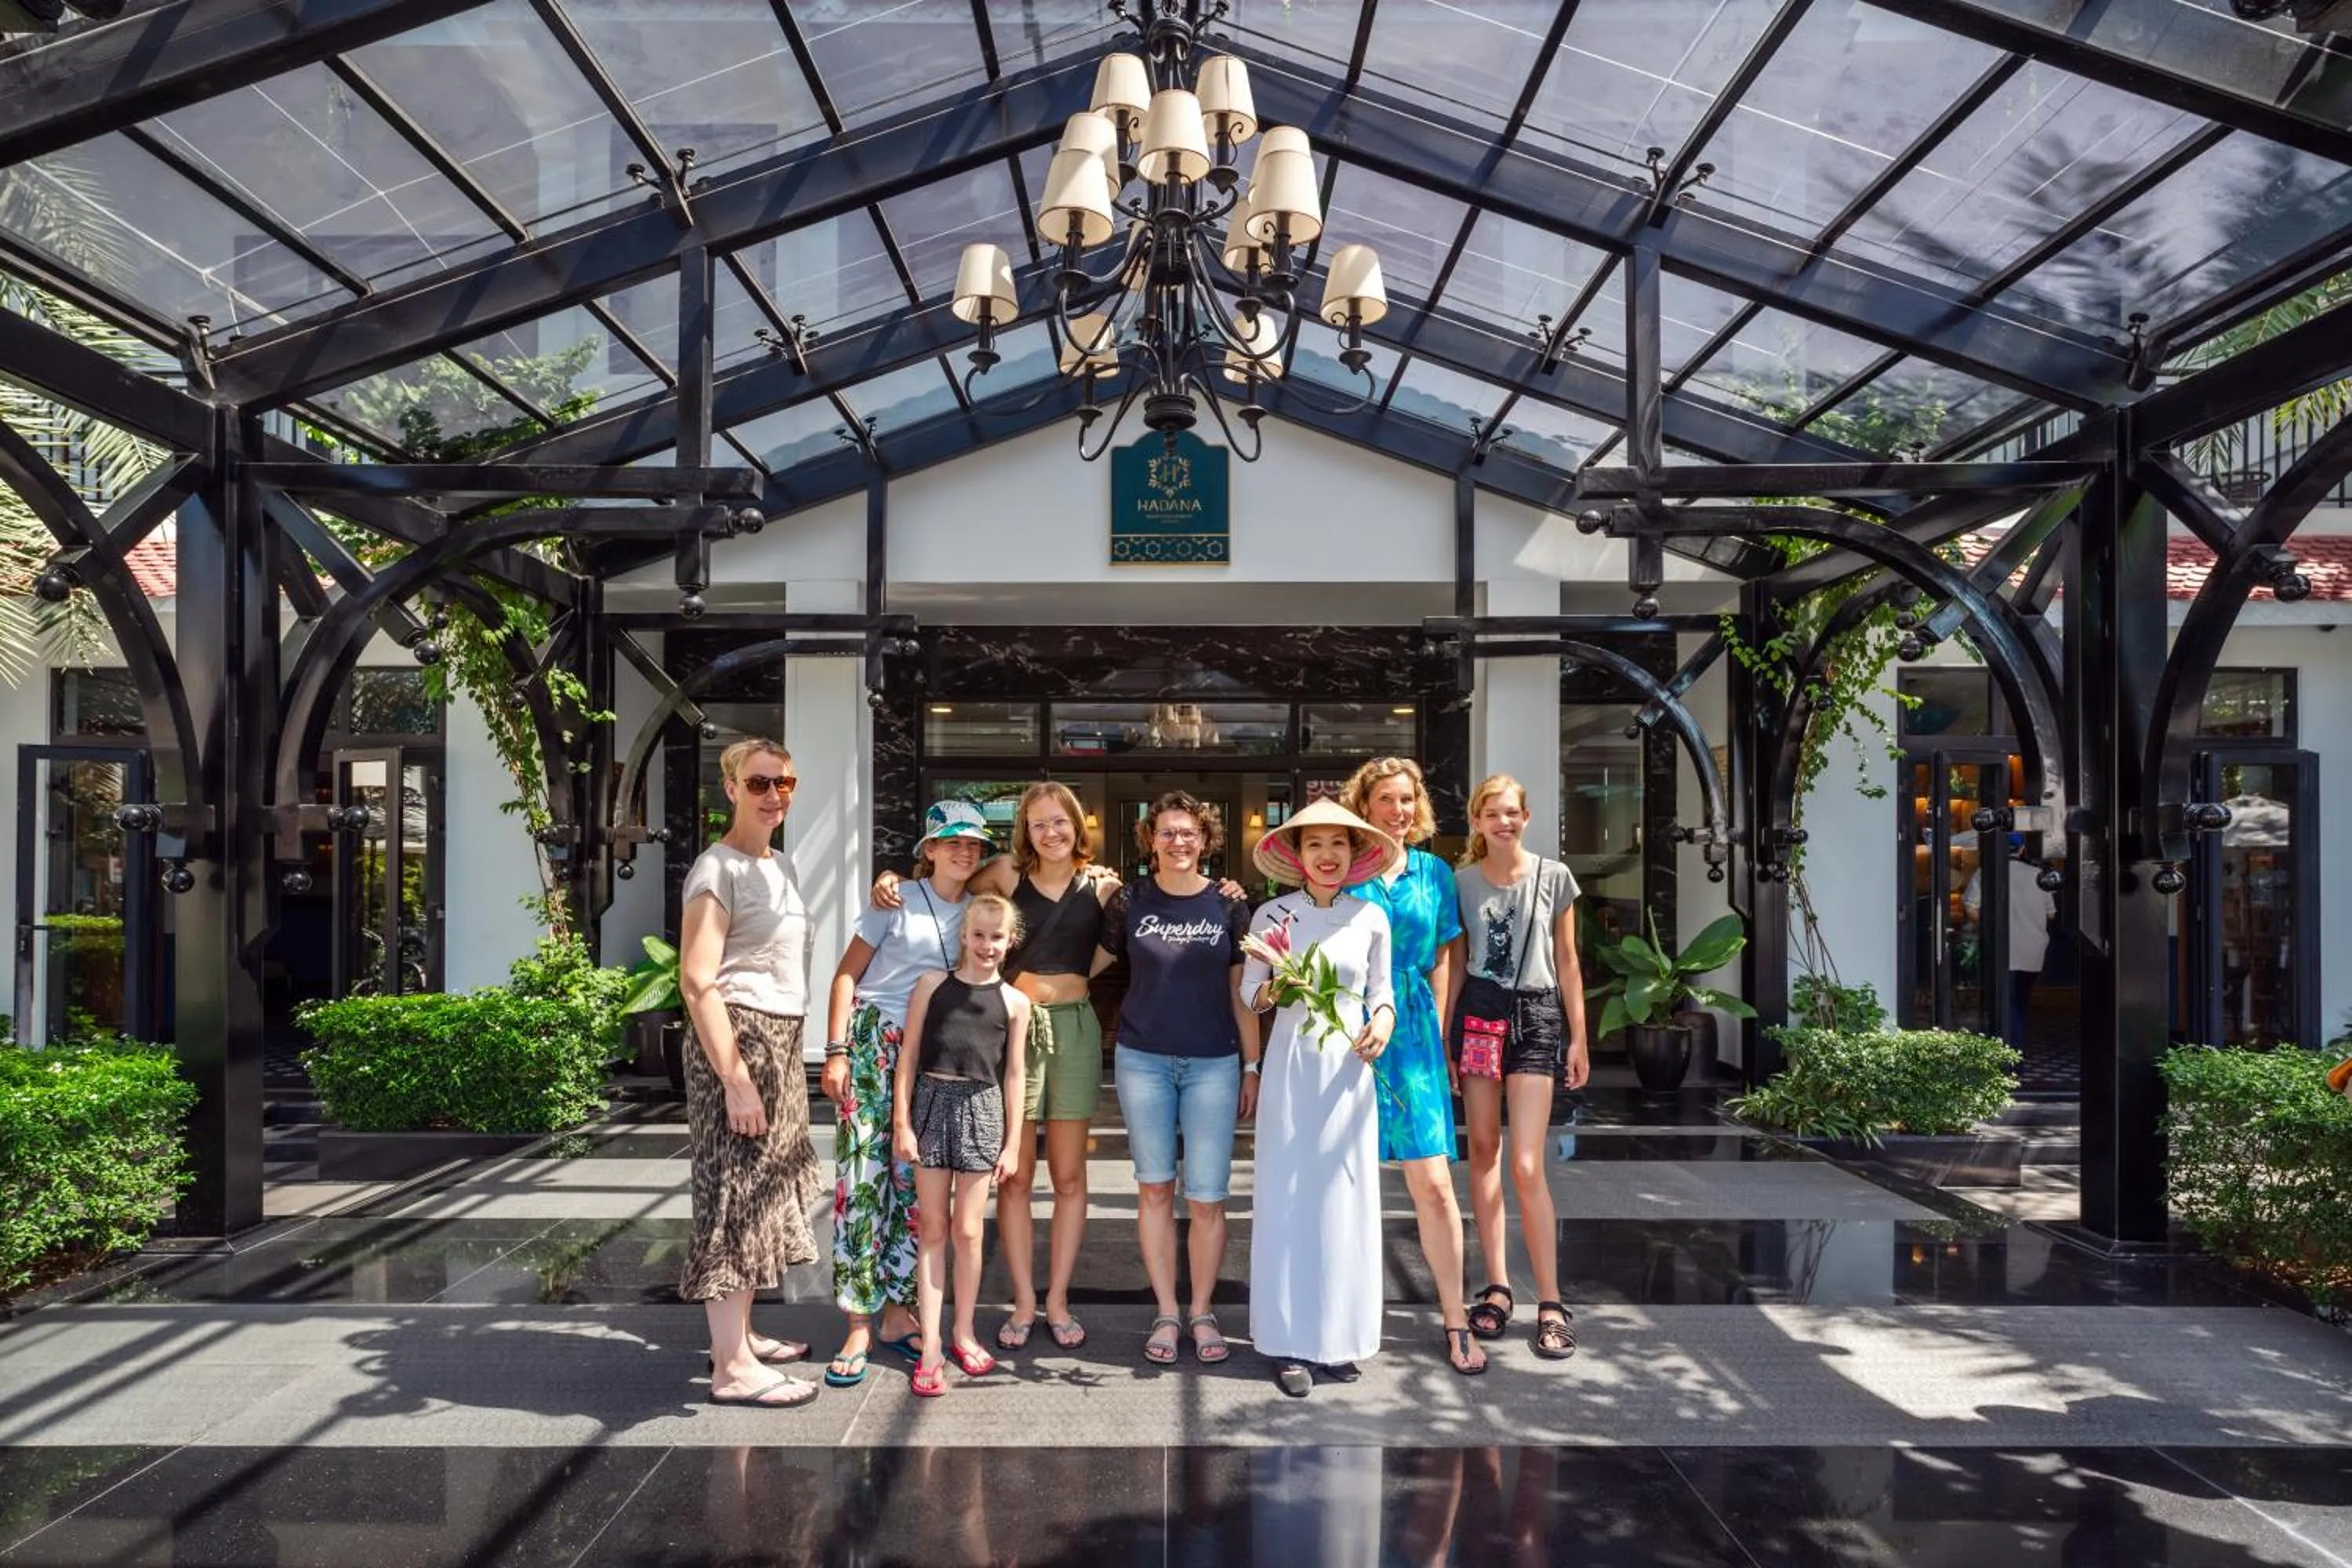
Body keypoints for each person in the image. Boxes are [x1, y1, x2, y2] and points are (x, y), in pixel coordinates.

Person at [818, 799, 992, 1387]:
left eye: (973, 844)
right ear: (929, 848)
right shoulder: (893, 901)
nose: (964, 852)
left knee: (914, 1187)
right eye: (952, 842)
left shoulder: (976, 911)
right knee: (862, 1182)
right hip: (874, 1045)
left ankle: (898, 1313)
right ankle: (858, 1323)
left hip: (934, 1057)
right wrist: (836, 1049)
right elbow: (847, 974)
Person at [674, 738, 826, 1408]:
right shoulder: (719, 869)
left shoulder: (781, 865)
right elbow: (697, 980)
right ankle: (732, 1370)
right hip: (742, 1041)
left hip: (780, 1039)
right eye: (760, 782)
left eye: (785, 782)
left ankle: (739, 1336)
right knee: (735, 1194)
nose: (775, 795)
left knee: (763, 1188)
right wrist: (736, 1077)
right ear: (730, 787)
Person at [1090, 789, 1258, 1367]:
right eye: (1167, 832)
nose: (1179, 841)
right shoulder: (1129, 900)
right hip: (1144, 1061)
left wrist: (1252, 1064)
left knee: (1209, 1196)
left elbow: (1244, 993)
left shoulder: (1232, 905)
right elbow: (1091, 961)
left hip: (1214, 1061)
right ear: (1151, 840)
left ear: (1206, 841)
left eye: (1189, 833)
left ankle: (1203, 1311)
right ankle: (1166, 1311)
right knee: (1155, 1186)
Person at [1243, 799, 1399, 1398]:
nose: (1327, 856)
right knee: (1289, 1196)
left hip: (1348, 1074)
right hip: (1292, 1068)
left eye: (1339, 844)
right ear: (1297, 855)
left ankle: (1339, 1339)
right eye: (1315, 846)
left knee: (1344, 1196)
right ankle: (1285, 1342)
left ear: (1354, 854)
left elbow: (1383, 994)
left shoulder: (1371, 918)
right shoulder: (1271, 915)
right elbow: (1251, 996)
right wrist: (1277, 985)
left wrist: (1381, 1022)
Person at [1339, 757, 1483, 1376]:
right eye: (1384, 800)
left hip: (1417, 1030)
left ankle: (1455, 1320)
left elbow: (1447, 958)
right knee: (1347, 1184)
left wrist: (1444, 1036)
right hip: (1353, 1029)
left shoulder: (1435, 872)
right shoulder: (1344, 869)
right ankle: (1342, 1320)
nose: (1396, 811)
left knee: (1434, 1182)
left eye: (1406, 800)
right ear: (1364, 806)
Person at [1451, 773, 1588, 1362]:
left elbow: (1568, 960)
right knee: (1483, 1150)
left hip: (1536, 1014)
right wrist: (1443, 1038)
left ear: (1526, 817)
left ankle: (1552, 1302)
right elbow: (1454, 966)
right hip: (1479, 1013)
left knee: (1528, 1164)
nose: (1503, 822)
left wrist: (1579, 1038)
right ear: (1477, 822)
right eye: (1492, 814)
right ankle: (1499, 1286)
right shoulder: (1459, 883)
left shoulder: (1554, 877)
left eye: (1512, 813)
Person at [894, 891, 1032, 1398]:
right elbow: (907, 1057)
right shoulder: (932, 986)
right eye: (978, 935)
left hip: (983, 1108)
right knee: (932, 1227)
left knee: (968, 1232)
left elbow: (1014, 1074)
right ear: (963, 936)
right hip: (930, 1103)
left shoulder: (1016, 1003)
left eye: (997, 937)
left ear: (1010, 941)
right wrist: (902, 1123)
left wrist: (1013, 1143)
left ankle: (963, 1332)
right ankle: (930, 1345)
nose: (987, 945)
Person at [1965, 834, 2056, 1052]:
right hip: (2032, 949)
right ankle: (2014, 1050)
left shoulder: (1986, 874)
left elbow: (1971, 908)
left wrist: (1988, 926)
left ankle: (2010, 1054)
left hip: (2001, 947)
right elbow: (2051, 914)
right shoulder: (2038, 876)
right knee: (2020, 1001)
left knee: (2005, 1002)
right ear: (2022, 848)